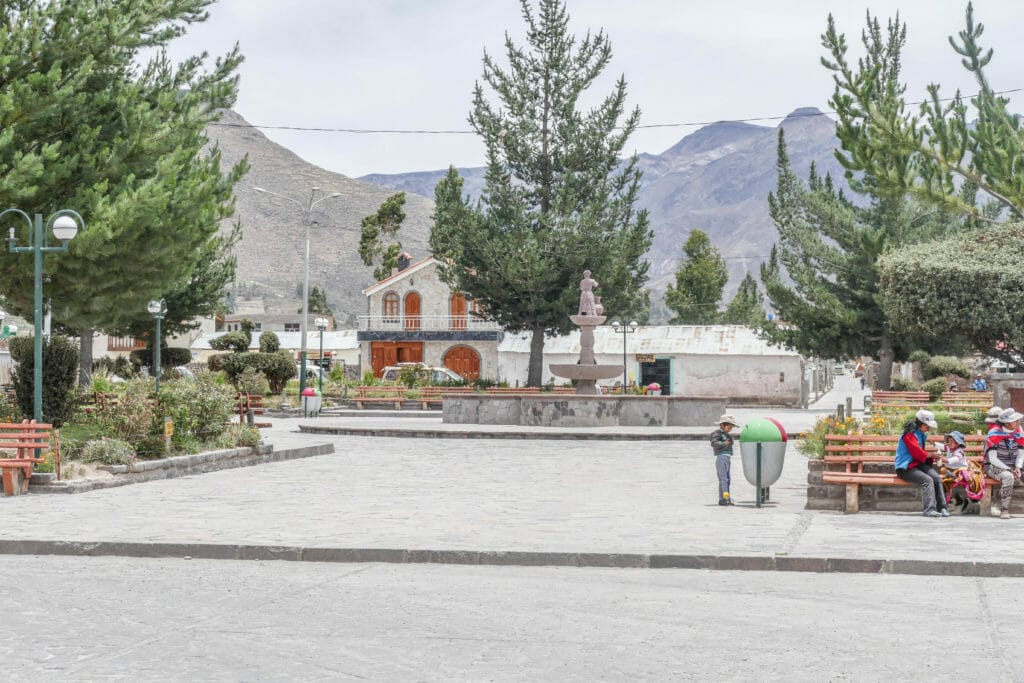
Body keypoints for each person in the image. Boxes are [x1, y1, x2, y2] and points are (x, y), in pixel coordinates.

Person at [894, 409, 949, 517]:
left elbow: (923, 452)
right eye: (927, 426)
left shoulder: (920, 433)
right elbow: (917, 453)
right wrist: (933, 455)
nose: (928, 428)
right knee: (927, 480)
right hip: (905, 468)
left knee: (937, 478)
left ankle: (942, 507)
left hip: (917, 465)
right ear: (922, 424)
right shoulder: (909, 435)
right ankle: (929, 510)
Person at [984, 408, 1023, 519]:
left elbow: (1021, 453)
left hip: (1013, 465)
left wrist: (1018, 467)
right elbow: (993, 459)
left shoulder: (1019, 432)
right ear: (1007, 423)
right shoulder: (994, 434)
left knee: (1013, 473)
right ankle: (1004, 509)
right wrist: (1009, 469)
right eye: (1015, 420)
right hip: (994, 466)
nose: (1018, 422)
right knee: (1008, 476)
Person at [940, 431, 985, 513]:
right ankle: (944, 501)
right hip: (950, 469)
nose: (949, 443)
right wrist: (933, 443)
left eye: (951, 441)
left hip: (960, 469)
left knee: (961, 473)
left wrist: (944, 459)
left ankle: (972, 500)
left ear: (957, 443)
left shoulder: (959, 451)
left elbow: (954, 459)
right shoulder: (949, 448)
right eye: (948, 441)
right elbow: (941, 446)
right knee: (943, 473)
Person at [710, 415, 739, 506]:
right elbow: (714, 443)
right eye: (728, 427)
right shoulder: (717, 434)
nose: (729, 429)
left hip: (727, 458)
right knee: (723, 479)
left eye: (731, 428)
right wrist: (724, 443)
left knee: (727, 479)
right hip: (721, 457)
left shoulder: (727, 435)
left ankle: (725, 498)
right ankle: (724, 498)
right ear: (722, 425)